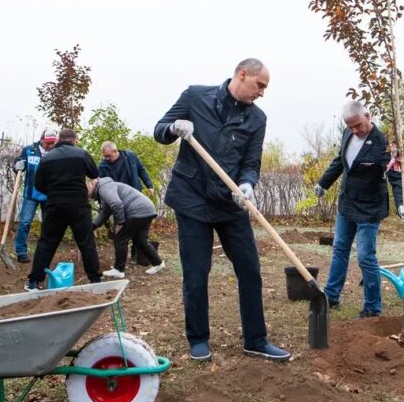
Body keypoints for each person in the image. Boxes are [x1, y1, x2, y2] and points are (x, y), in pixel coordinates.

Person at [153, 58, 290, 362]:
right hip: (192, 199)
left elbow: (251, 163)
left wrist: (247, 185)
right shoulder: (195, 96)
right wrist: (175, 128)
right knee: (196, 272)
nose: (262, 93)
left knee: (250, 270)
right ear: (243, 75)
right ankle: (198, 338)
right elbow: (159, 131)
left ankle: (256, 340)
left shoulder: (257, 119)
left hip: (230, 204)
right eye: (260, 85)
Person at [314, 100, 404, 318]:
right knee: (340, 248)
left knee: (365, 256)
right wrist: (323, 183)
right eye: (350, 127)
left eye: (358, 125)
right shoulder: (348, 134)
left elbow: (397, 176)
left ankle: (372, 308)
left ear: (367, 116)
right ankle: (331, 296)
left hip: (369, 208)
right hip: (347, 204)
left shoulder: (384, 143)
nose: (354, 130)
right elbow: (339, 161)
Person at [25, 129, 101, 291]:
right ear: (75, 140)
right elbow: (94, 173)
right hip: (78, 206)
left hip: (55, 206)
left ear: (59, 140)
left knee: (47, 242)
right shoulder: (81, 154)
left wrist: (53, 192)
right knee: (86, 242)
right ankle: (94, 280)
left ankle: (34, 282)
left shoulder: (47, 158)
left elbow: (38, 184)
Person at [89, 177, 165, 277]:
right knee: (141, 241)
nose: (89, 197)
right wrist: (92, 226)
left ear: (91, 186)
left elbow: (117, 204)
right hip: (147, 209)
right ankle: (158, 263)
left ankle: (119, 270)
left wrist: (120, 223)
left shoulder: (104, 188)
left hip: (136, 211)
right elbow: (105, 212)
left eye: (88, 195)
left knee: (120, 239)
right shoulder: (106, 188)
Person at [98, 142, 156, 264]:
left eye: (108, 156)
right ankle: (120, 260)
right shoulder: (103, 165)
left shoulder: (130, 156)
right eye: (105, 156)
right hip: (117, 200)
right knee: (119, 229)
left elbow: (141, 170)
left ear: (115, 151)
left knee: (137, 229)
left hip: (134, 198)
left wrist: (149, 185)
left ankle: (136, 255)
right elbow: (101, 185)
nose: (106, 158)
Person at [12, 129, 58, 263]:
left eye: (53, 143)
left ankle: (44, 253)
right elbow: (18, 163)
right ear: (42, 139)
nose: (50, 145)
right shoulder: (29, 150)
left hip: (48, 195)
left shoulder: (56, 154)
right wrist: (17, 165)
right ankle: (21, 252)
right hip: (31, 194)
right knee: (25, 223)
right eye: (48, 142)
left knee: (48, 225)